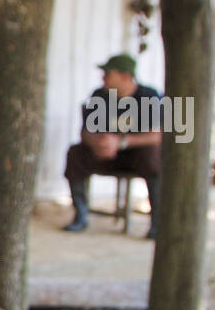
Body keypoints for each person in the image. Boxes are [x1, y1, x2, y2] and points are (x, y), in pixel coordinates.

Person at [63, 53, 163, 239]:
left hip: (136, 157)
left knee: (152, 156)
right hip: (105, 156)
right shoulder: (99, 95)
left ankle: (157, 223)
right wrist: (98, 143)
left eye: (108, 74)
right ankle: (80, 215)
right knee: (76, 153)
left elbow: (157, 135)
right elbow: (86, 132)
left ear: (125, 76)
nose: (103, 78)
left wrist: (121, 142)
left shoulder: (148, 96)